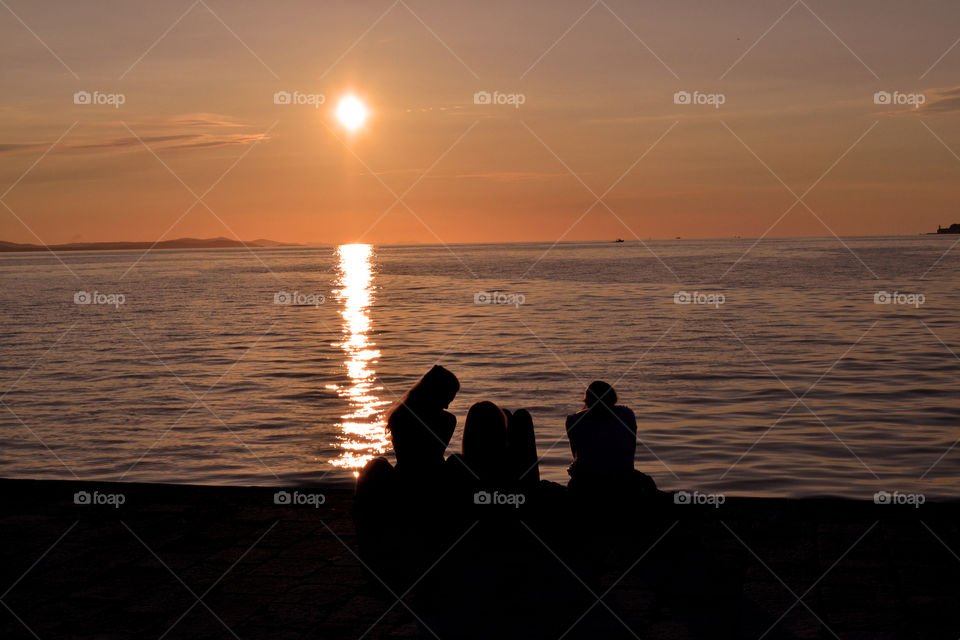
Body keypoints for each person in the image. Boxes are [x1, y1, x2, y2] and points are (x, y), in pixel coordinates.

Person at [386, 364, 460, 478]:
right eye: (447, 399)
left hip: (402, 475)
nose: (446, 407)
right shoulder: (448, 420)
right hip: (433, 475)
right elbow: (432, 458)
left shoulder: (398, 416)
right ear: (436, 394)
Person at [565, 380, 637, 479]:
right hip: (623, 474)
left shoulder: (573, 421)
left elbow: (576, 453)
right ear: (613, 398)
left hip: (589, 476)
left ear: (587, 400)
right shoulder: (627, 414)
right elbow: (631, 448)